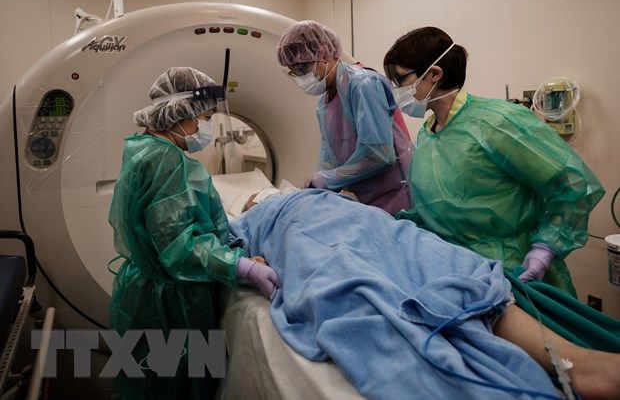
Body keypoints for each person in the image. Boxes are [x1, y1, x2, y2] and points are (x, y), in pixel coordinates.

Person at [230, 189, 620, 400]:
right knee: (353, 284)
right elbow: (224, 251)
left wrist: (339, 197)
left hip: (364, 222)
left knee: (447, 267)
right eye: (253, 197)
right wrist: (248, 259)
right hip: (300, 230)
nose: (256, 197)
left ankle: (579, 362)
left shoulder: (318, 193)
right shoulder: (251, 219)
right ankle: (571, 365)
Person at [383, 27, 605, 295]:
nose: (396, 90)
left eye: (400, 80)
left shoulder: (496, 122)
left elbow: (573, 184)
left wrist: (546, 247)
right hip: (455, 271)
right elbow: (440, 204)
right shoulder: (429, 132)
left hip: (512, 273)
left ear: (434, 74)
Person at [107, 67, 280, 399]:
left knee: (150, 385)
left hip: (149, 289)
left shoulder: (143, 148)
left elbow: (177, 224)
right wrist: (240, 266)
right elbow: (179, 246)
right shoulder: (166, 161)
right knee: (178, 388)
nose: (207, 127)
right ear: (180, 112)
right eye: (206, 117)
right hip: (171, 304)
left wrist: (232, 245)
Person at [276, 20, 413, 215]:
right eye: (293, 72)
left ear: (324, 53)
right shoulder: (324, 104)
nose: (300, 77)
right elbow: (329, 159)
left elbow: (379, 154)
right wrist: (318, 185)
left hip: (395, 194)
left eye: (303, 68)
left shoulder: (363, 84)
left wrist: (327, 179)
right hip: (363, 199)